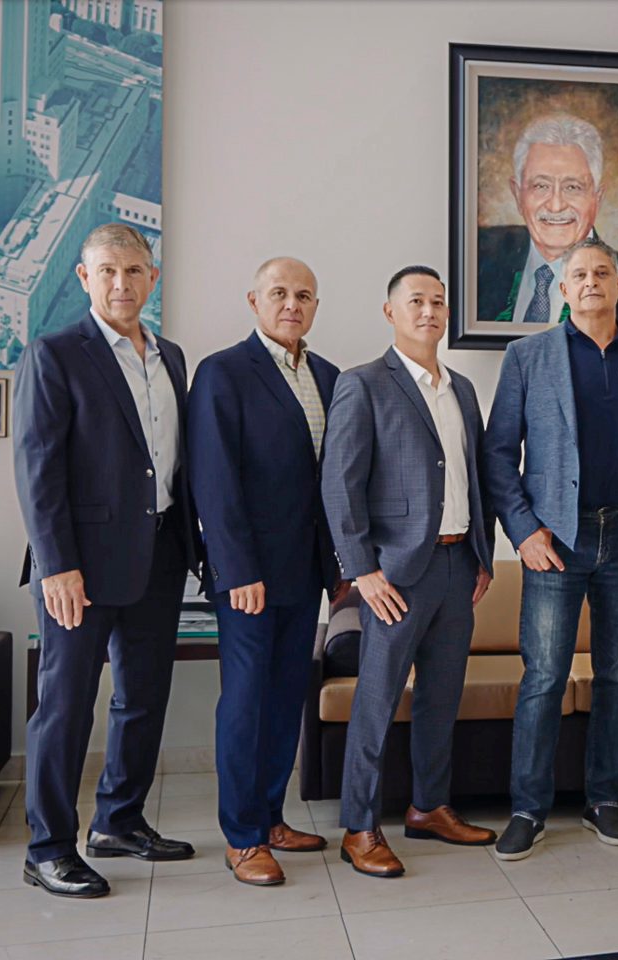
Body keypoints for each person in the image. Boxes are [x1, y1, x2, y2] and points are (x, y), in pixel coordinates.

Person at [12, 224, 198, 898]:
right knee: (64, 708)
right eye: (108, 272)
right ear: (85, 278)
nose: (122, 284)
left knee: (143, 698)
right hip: (79, 569)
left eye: (135, 271)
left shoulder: (172, 356)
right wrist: (57, 565)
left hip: (160, 556)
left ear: (153, 278)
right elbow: (39, 469)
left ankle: (118, 821)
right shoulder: (56, 353)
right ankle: (48, 847)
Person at [483, 237, 618, 860]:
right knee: (544, 676)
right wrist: (524, 531)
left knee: (617, 678)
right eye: (579, 275)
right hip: (554, 541)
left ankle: (604, 800)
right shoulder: (528, 356)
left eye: (602, 273)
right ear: (562, 290)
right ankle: (527, 809)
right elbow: (497, 453)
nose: (591, 281)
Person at [320, 265, 498, 878]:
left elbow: (477, 479)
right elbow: (339, 484)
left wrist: (482, 552)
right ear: (390, 311)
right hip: (393, 574)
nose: (430, 311)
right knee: (377, 699)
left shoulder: (464, 390)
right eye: (416, 301)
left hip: (457, 566)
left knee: (441, 699)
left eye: (439, 302)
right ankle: (360, 826)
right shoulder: (363, 383)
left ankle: (429, 807)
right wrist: (361, 570)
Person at [187, 257, 342, 886]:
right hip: (248, 576)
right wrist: (234, 568)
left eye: (304, 295)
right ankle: (243, 837)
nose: (292, 304)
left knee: (284, 699)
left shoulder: (329, 376)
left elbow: (333, 482)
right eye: (279, 293)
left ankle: (273, 817)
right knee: (245, 703)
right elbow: (213, 480)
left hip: (305, 571)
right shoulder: (223, 373)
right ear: (254, 300)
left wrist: (340, 567)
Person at [477, 113, 618, 326]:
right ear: (517, 194)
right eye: (541, 186)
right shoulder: (478, 255)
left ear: (598, 197)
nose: (556, 205)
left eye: (572, 187)